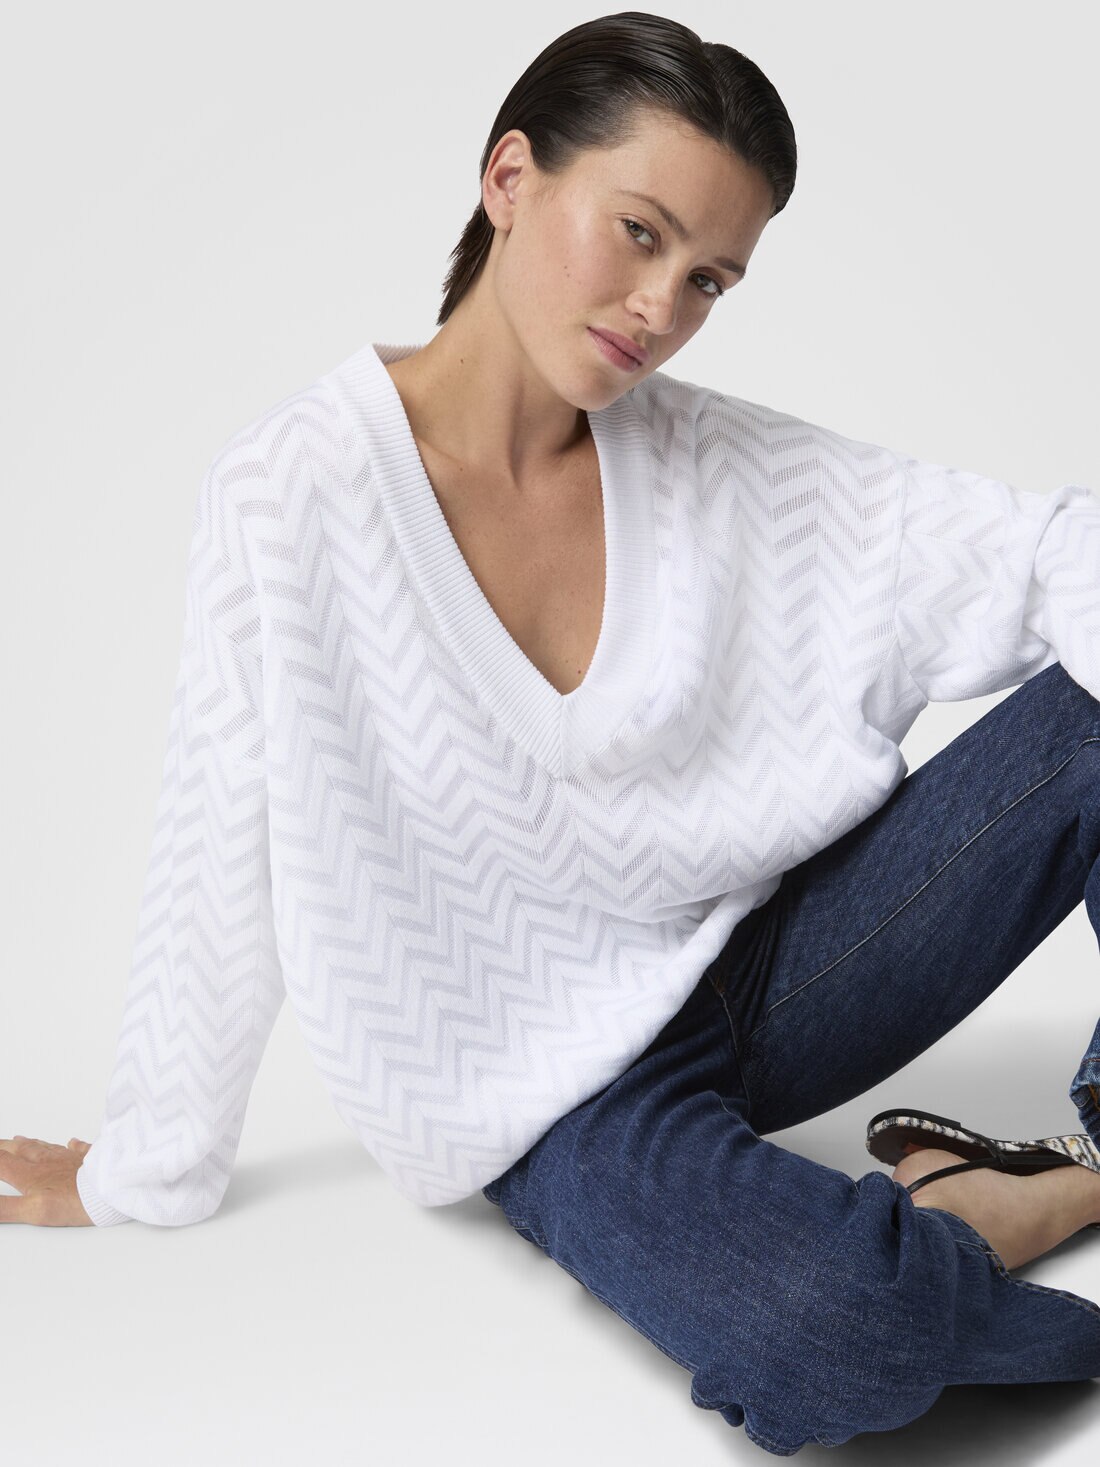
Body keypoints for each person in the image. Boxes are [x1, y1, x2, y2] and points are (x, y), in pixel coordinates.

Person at [4, 7, 1100, 1455]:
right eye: (639, 232)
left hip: (780, 974)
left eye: (707, 278)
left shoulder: (716, 459)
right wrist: (144, 1167)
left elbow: (1053, 549)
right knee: (836, 1333)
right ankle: (1011, 1215)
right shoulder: (296, 493)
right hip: (559, 1101)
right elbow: (221, 833)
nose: (660, 306)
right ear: (510, 177)